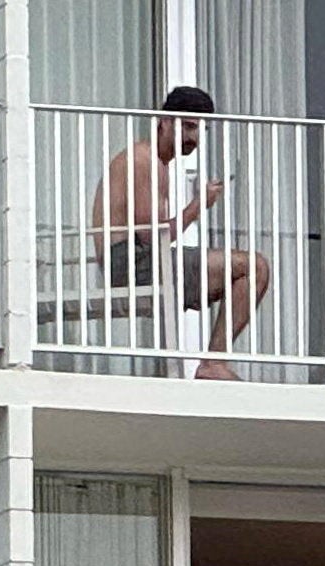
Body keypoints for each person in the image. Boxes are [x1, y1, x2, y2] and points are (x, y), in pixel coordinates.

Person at [85, 86, 269, 379]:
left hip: (134, 259)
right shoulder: (145, 160)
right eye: (188, 126)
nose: (193, 138)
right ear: (164, 121)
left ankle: (214, 361)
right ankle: (213, 363)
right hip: (132, 263)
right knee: (254, 266)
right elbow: (151, 236)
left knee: (244, 269)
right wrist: (199, 205)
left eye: (199, 131)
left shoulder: (153, 162)